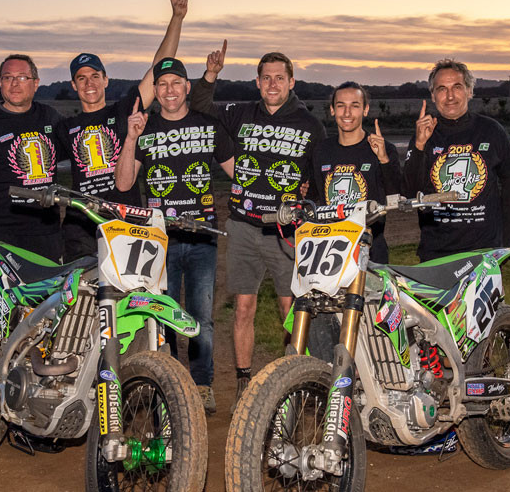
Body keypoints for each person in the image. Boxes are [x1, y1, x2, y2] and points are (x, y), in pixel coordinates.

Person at [189, 41, 326, 406]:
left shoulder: (310, 125)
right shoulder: (242, 112)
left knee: (289, 309)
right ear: (257, 82)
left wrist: (312, 218)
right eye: (266, 78)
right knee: (244, 307)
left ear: (292, 82)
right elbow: (200, 104)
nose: (272, 84)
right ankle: (244, 381)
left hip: (286, 231)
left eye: (279, 78)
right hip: (244, 225)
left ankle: (295, 381)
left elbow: (320, 177)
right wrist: (210, 76)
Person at [115, 57, 234, 415]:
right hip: (158, 242)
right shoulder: (145, 129)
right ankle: (164, 381)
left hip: (201, 238)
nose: (168, 90)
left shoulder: (208, 126)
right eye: (161, 84)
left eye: (175, 83)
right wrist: (131, 138)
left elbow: (239, 171)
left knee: (200, 316)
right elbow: (123, 183)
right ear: (156, 91)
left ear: (186, 88)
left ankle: (201, 386)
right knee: (158, 314)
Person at [57, 0, 187, 261]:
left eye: (95, 76)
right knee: (81, 299)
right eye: (81, 78)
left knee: (128, 297)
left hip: (125, 219)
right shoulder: (65, 127)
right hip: (81, 226)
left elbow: (158, 67)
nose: (89, 83)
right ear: (73, 84)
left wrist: (176, 19)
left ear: (106, 79)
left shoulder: (124, 111)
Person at [402, 59, 510, 262]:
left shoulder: (492, 131)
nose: (450, 96)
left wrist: (505, 242)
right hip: (436, 252)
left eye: (457, 87)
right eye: (442, 89)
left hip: (484, 251)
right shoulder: (424, 135)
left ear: (469, 91)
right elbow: (409, 193)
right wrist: (420, 145)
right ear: (433, 95)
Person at [0, 54, 63, 262]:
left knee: (50, 294)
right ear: (0, 83)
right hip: (2, 233)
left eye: (23, 77)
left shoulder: (50, 117)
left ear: (35, 84)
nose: (15, 84)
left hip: (46, 233)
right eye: (8, 77)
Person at [307, 81, 401, 263]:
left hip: (372, 250)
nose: (347, 113)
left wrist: (383, 159)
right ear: (332, 110)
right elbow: (313, 196)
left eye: (355, 106)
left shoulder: (383, 148)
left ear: (365, 110)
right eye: (341, 106)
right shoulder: (321, 150)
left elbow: (396, 194)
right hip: (331, 249)